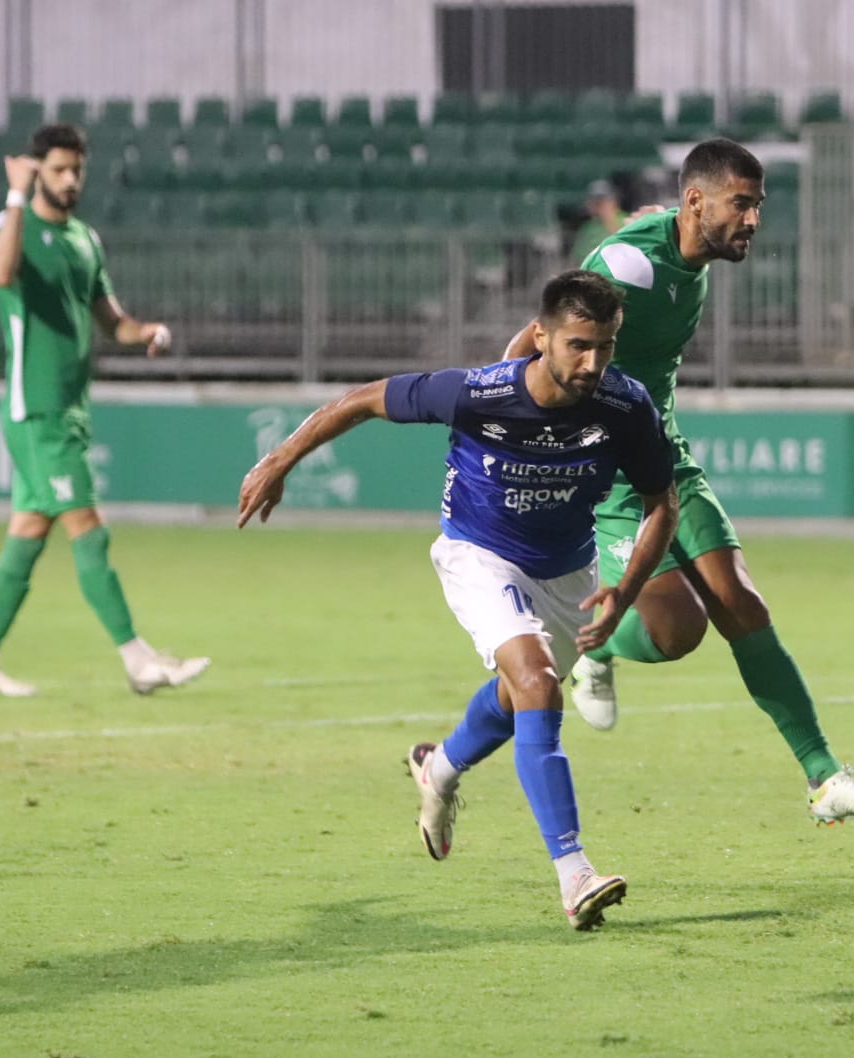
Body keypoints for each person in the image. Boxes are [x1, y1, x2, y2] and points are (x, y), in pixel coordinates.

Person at [238, 270, 679, 931]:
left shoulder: (624, 405)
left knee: (518, 694)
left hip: (569, 574)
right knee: (536, 683)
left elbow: (661, 505)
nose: (592, 363)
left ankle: (439, 768)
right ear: (541, 338)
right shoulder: (479, 394)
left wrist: (624, 593)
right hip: (480, 556)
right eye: (578, 345)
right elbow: (361, 400)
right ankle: (574, 873)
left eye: (606, 347)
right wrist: (280, 460)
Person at [503, 137, 854, 826]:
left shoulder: (686, 244)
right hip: (607, 474)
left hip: (665, 454)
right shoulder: (627, 263)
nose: (752, 220)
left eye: (757, 206)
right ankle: (592, 643)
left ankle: (824, 779)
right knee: (677, 630)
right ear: (696, 203)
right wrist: (504, 427)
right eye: (740, 205)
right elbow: (532, 340)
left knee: (741, 601)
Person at [0, 123, 209, 697]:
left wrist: (144, 331)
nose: (71, 180)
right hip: (37, 411)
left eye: (77, 170)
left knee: (27, 533)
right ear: (34, 170)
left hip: (69, 410)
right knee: (88, 530)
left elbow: (110, 319)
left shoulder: (84, 240)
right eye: (58, 170)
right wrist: (15, 195)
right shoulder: (9, 227)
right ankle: (137, 659)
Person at [570, 180, 626, 265]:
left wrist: (609, 218)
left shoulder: (629, 219)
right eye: (596, 202)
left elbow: (629, 248)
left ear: (614, 202)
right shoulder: (589, 227)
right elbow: (580, 259)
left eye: (602, 202)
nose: (599, 206)